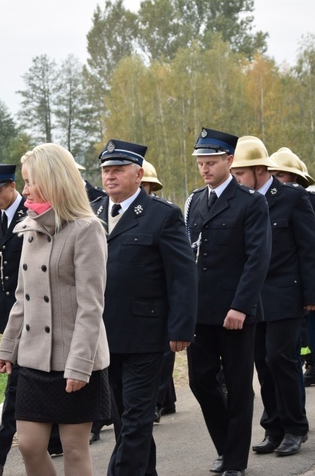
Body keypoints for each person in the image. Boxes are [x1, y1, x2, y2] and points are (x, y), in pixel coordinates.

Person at [0, 143, 110, 476]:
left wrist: (79, 365)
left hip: (75, 359)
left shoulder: (87, 230)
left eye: (30, 181)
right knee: (29, 445)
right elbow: (22, 297)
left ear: (52, 180)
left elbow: (91, 307)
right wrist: (8, 347)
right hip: (33, 359)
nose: (26, 189)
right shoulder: (29, 228)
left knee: (74, 449)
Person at [92, 140, 197, 476]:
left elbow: (183, 275)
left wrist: (181, 327)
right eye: (106, 170)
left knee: (137, 419)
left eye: (118, 170)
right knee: (125, 421)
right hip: (104, 336)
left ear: (138, 174)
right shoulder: (92, 214)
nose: (110, 176)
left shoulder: (162, 215)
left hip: (146, 335)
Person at [230, 136, 315, 458]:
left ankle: (296, 427)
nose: (236, 179)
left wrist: (314, 295)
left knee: (281, 360)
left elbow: (310, 249)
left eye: (240, 173)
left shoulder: (292, 198)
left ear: (259, 169)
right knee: (262, 364)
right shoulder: (240, 201)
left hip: (286, 293)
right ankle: (274, 426)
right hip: (253, 298)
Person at [185, 128, 271, 476]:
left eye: (211, 162)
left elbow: (257, 259)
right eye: (201, 163)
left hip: (235, 311)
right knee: (200, 380)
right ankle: (226, 444)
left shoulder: (250, 202)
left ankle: (235, 461)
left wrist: (240, 306)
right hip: (200, 311)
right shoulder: (194, 201)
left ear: (229, 161)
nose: (205, 169)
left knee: (237, 386)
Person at [0, 164, 62, 476]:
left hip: (40, 312)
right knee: (22, 384)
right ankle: (48, 437)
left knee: (21, 387)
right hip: (11, 316)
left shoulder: (35, 212)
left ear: (12, 185)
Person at [268, 147, 315, 435]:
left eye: (281, 174)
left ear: (297, 177)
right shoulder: (266, 203)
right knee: (290, 355)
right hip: (285, 295)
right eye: (272, 174)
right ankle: (295, 417)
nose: (277, 180)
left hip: (314, 292)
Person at [139, 160, 177, 423]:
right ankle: (164, 400)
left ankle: (157, 402)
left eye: (144, 185)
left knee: (164, 355)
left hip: (159, 297)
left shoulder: (163, 214)